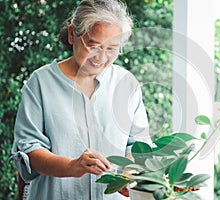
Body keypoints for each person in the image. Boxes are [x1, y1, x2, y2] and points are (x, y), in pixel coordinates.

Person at [10, 0, 149, 199]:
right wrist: (73, 166)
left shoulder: (127, 84)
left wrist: (129, 173)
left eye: (112, 49)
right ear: (72, 35)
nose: (101, 57)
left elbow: (138, 146)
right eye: (93, 45)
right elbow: (29, 152)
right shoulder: (40, 83)